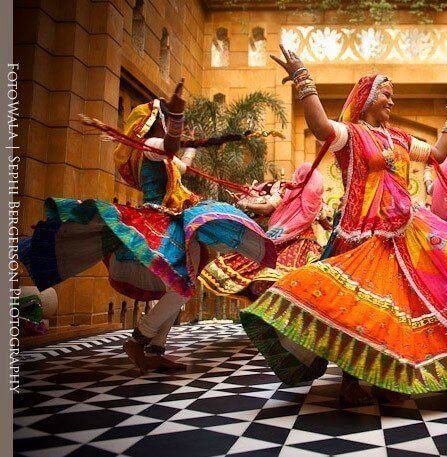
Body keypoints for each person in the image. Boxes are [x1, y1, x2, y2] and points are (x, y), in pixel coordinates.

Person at [238, 45, 447, 405]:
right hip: (360, 233)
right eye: (386, 94)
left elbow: (438, 155)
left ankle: (385, 372)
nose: (392, 102)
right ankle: (350, 379)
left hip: (403, 231)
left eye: (393, 96)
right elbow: (319, 125)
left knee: (395, 305)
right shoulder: (351, 133)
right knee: (356, 306)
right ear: (366, 98)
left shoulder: (398, 137)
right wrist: (304, 79)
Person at [19, 80, 276, 374]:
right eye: (165, 118)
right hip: (158, 226)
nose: (168, 123)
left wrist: (187, 143)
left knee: (182, 285)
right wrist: (177, 119)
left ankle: (155, 348)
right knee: (181, 287)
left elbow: (178, 164)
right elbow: (167, 146)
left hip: (167, 222)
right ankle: (140, 339)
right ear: (154, 123)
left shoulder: (156, 152)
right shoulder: (150, 145)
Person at [200, 162, 327, 298]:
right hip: (306, 244)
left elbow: (267, 208)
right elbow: (325, 220)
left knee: (261, 267)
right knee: (307, 277)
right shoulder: (317, 200)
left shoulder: (287, 191)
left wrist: (245, 204)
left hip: (279, 239)